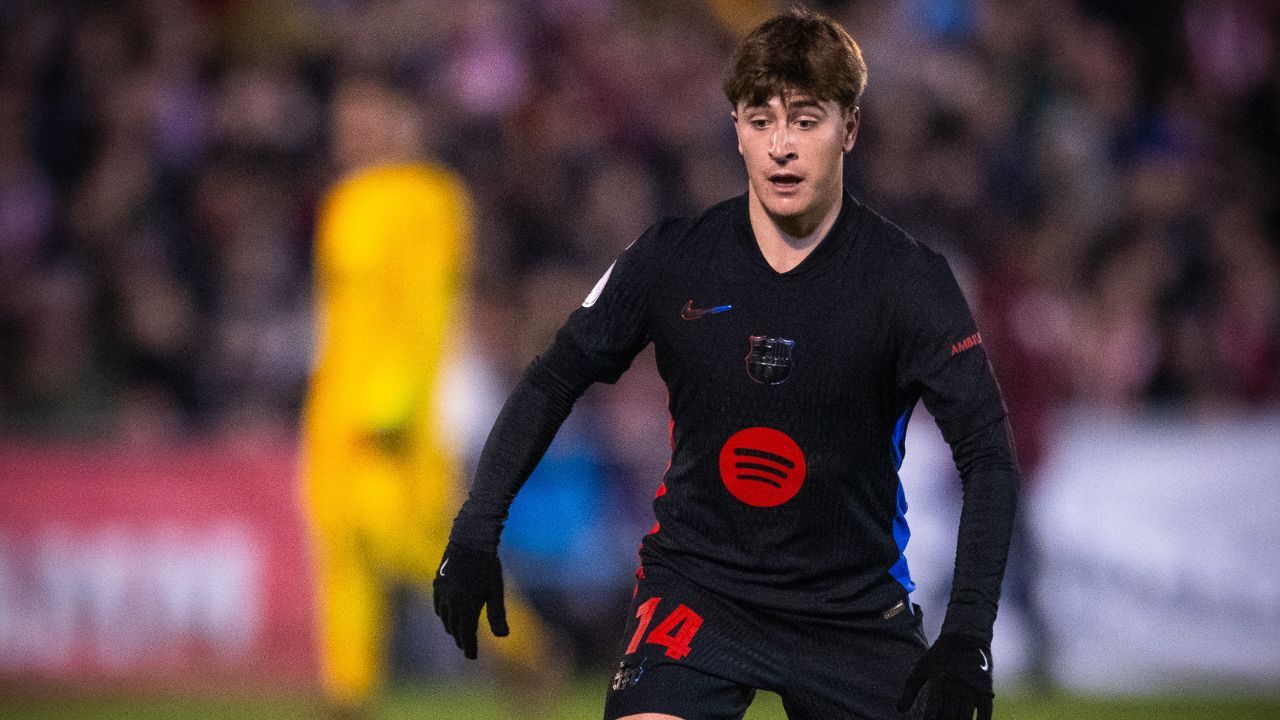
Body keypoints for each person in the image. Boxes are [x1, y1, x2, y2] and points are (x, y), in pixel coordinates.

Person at [433, 9, 1019, 720]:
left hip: (850, 608)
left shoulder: (908, 281)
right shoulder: (672, 258)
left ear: (850, 130)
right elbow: (555, 376)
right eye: (760, 119)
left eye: (806, 120)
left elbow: (987, 454)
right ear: (735, 128)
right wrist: (476, 527)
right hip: (699, 592)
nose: (782, 146)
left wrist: (967, 634)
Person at [301, 77, 555, 718]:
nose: (351, 129)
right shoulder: (343, 199)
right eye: (345, 117)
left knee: (407, 540)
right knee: (339, 537)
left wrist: (395, 399)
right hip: (335, 396)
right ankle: (347, 691)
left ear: (400, 122)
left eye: (366, 115)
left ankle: (520, 643)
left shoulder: (429, 198)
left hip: (397, 406)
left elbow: (425, 310)